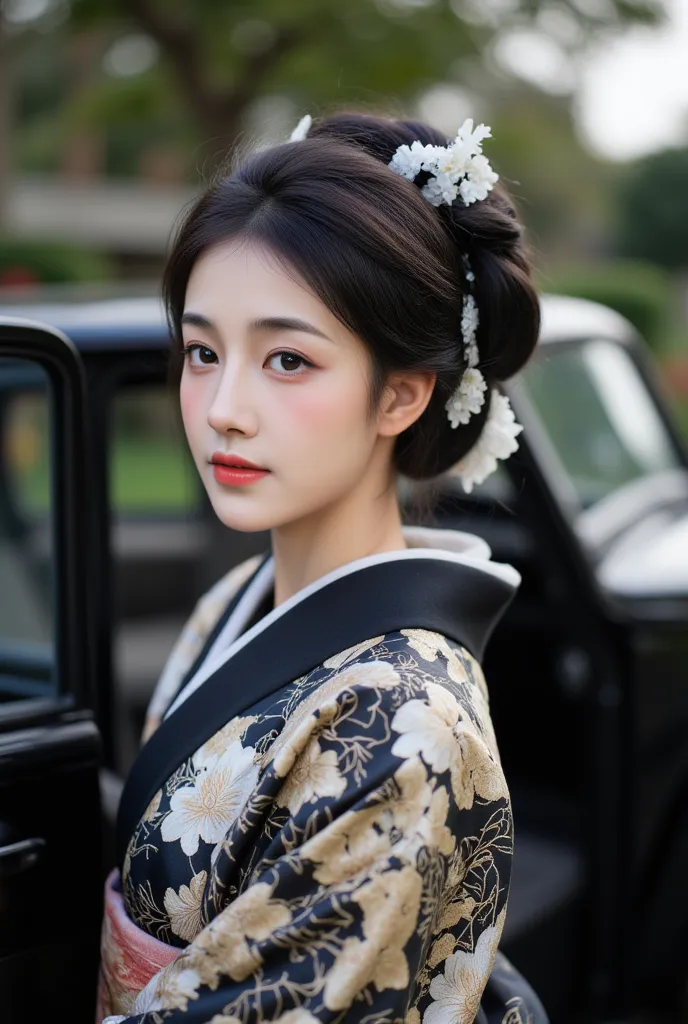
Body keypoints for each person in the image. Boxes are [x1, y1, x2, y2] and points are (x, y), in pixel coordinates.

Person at [99, 110, 548, 1024]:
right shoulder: (236, 599)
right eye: (202, 352)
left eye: (288, 359)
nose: (224, 408)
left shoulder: (407, 726)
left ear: (400, 394)